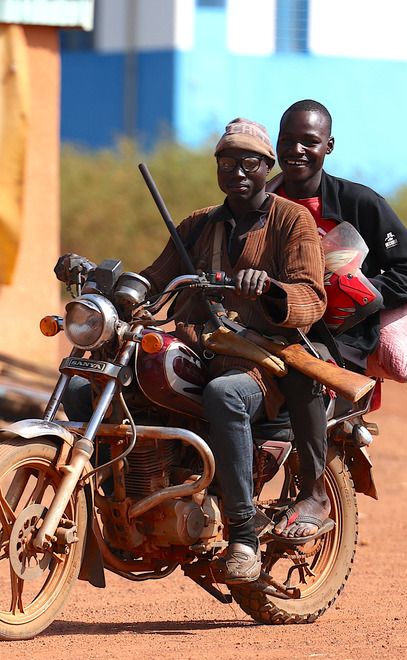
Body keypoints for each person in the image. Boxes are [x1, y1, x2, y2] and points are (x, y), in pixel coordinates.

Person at [136, 118, 325, 583]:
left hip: (261, 362)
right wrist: (117, 287)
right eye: (227, 162)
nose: (236, 171)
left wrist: (271, 288)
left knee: (225, 394)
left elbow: (311, 296)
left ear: (267, 167)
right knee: (107, 383)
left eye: (248, 163)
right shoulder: (198, 223)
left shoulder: (291, 220)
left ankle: (243, 535)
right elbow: (155, 278)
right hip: (197, 349)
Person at [269, 99, 407, 541]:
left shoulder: (359, 203)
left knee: (303, 371)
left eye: (309, 142)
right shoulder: (261, 201)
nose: (297, 150)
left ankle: (314, 494)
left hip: (337, 339)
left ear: (329, 146)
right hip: (268, 329)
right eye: (288, 140)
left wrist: (360, 289)